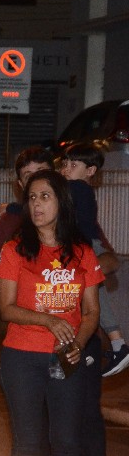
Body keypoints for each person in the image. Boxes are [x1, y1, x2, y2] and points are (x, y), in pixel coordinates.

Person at [0, 169, 102, 456]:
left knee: (66, 442)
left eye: (45, 196)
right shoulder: (15, 250)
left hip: (65, 359)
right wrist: (49, 320)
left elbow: (92, 311)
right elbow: (6, 308)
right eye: (32, 198)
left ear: (61, 202)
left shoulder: (83, 252)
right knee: (28, 445)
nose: (37, 204)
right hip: (22, 358)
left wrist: (77, 343)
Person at [58, 142, 129, 378]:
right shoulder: (81, 189)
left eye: (73, 164)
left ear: (90, 171)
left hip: (84, 246)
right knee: (92, 291)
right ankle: (115, 344)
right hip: (85, 245)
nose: (66, 168)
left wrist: (15, 207)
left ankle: (117, 344)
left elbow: (49, 200)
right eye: (65, 163)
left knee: (91, 292)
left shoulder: (75, 187)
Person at [0, 145, 54, 277]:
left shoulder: (74, 215)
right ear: (21, 184)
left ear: (56, 176)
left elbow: (104, 257)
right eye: (29, 177)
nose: (36, 181)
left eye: (42, 173)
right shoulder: (9, 221)